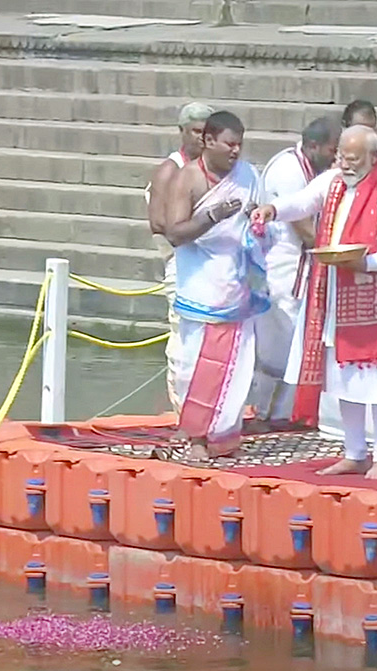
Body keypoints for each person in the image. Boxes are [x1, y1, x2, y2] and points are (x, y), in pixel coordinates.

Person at [250, 125, 377, 480]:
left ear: (374, 157)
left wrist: (369, 262)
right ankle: (355, 451)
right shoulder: (333, 181)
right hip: (336, 295)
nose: (344, 164)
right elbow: (304, 202)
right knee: (345, 378)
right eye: (341, 156)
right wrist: (272, 209)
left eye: (353, 159)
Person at [163, 110, 269, 458]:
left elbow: (261, 219)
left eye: (240, 144)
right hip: (201, 285)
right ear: (209, 141)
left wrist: (256, 217)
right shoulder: (188, 178)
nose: (236, 151)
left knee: (238, 365)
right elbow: (175, 233)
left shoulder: (249, 174)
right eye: (229, 144)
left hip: (238, 282)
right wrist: (214, 215)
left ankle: (225, 436)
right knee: (197, 365)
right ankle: (196, 438)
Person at [251, 116, 341, 425]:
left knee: (296, 344)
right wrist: (340, 255)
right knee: (282, 345)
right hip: (284, 270)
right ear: (314, 146)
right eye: (332, 149)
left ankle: (285, 413)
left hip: (302, 269)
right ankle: (269, 414)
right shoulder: (289, 169)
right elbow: (303, 225)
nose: (335, 157)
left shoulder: (312, 167)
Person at [145, 102, 214, 415]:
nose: (201, 138)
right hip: (180, 263)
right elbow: (160, 224)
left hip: (212, 265)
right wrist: (202, 226)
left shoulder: (213, 168)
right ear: (182, 132)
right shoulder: (170, 170)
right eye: (196, 132)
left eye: (207, 132)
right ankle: (181, 409)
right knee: (183, 338)